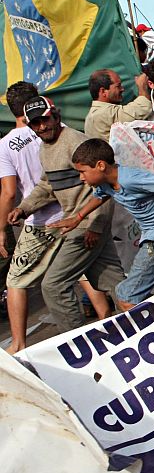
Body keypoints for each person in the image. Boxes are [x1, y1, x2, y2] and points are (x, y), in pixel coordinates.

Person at [8, 97, 123, 333]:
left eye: (45, 120)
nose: (41, 127)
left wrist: (95, 226)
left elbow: (103, 186)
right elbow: (47, 186)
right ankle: (144, 320)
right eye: (35, 124)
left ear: (57, 116)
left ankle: (78, 341)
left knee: (53, 285)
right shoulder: (45, 148)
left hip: (85, 226)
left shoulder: (75, 143)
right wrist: (23, 208)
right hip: (77, 224)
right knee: (113, 281)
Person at [51, 139, 154, 311]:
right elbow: (101, 196)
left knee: (126, 297)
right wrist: (78, 217)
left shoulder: (131, 179)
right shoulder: (106, 183)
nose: (81, 177)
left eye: (83, 171)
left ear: (100, 165)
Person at [0, 83, 66, 353]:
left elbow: (9, 192)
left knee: (16, 281)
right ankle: (103, 319)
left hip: (38, 219)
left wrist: (2, 228)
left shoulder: (6, 145)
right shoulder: (52, 127)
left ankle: (18, 345)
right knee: (82, 271)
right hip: (70, 210)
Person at [84, 69, 152, 141]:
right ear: (103, 91)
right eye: (118, 86)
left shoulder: (93, 114)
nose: (122, 89)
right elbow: (142, 108)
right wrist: (142, 86)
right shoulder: (103, 113)